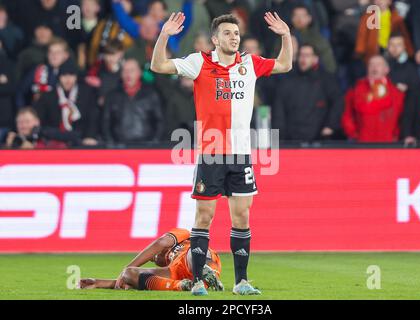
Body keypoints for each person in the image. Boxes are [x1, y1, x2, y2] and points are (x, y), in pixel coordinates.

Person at [150, 12, 293, 295]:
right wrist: (164, 35)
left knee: (242, 217)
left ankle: (241, 282)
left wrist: (286, 36)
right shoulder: (199, 61)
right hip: (211, 154)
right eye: (227, 33)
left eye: (236, 33)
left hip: (241, 155)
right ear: (215, 39)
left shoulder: (250, 63)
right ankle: (198, 281)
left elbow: (286, 64)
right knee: (204, 217)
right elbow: (157, 66)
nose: (234, 37)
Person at [79, 228, 223, 292]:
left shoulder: (183, 236)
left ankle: (207, 272)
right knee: (129, 274)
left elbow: (160, 242)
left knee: (194, 252)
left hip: (196, 254)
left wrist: (123, 269)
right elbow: (129, 280)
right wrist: (99, 283)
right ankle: (182, 286)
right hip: (178, 273)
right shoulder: (170, 267)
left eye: (154, 256)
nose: (154, 258)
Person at [273, 44, 344, 142]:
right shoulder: (287, 81)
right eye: (301, 55)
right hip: (292, 140)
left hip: (319, 140)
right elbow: (279, 111)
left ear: (315, 59)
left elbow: (338, 102)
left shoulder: (327, 80)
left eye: (307, 55)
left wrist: (330, 125)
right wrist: (280, 135)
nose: (303, 59)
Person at [33, 60, 100, 147]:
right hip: (54, 141)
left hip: (81, 140)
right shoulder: (48, 96)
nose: (68, 80)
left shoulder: (87, 93)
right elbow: (41, 121)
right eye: (64, 75)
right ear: (59, 77)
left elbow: (93, 117)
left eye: (71, 75)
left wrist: (90, 136)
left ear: (76, 76)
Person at [342, 55, 405, 142]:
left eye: (378, 64)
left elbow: (402, 118)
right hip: (363, 142)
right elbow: (347, 115)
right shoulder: (356, 89)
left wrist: (395, 135)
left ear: (386, 69)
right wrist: (354, 134)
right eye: (371, 64)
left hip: (388, 143)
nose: (374, 67)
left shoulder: (396, 92)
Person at [102, 58, 164, 144]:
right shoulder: (112, 96)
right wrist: (112, 145)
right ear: (121, 74)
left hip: (146, 147)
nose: (128, 74)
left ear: (140, 72)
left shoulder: (151, 94)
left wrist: (153, 143)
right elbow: (105, 123)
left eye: (132, 70)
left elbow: (160, 121)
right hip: (119, 148)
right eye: (125, 71)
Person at [15, 37, 70, 108]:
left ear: (66, 55)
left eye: (58, 52)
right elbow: (20, 91)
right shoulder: (37, 70)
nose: (54, 55)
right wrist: (22, 110)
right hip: (38, 113)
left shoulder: (73, 75)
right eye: (51, 52)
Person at [355, 0, 414, 64]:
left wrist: (410, 51)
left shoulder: (396, 17)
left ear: (389, 2)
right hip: (375, 50)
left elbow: (404, 35)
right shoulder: (368, 17)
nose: (380, 1)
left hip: (391, 50)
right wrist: (359, 51)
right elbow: (362, 35)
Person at [4, 107, 80, 149]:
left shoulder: (47, 135)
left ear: (37, 122)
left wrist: (34, 149)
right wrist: (8, 146)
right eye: (20, 122)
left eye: (27, 122)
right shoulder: (14, 140)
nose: (23, 126)